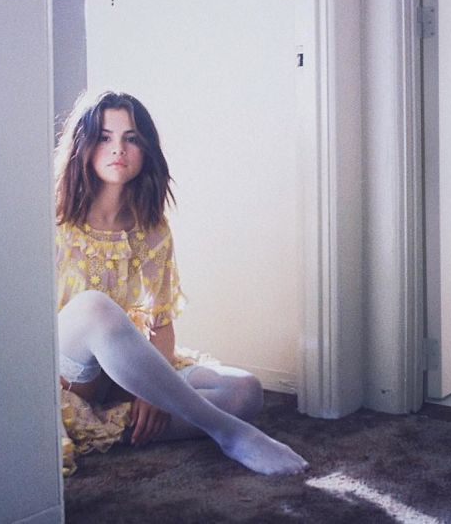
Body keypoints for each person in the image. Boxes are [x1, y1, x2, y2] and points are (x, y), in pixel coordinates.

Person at [55, 91, 308, 476]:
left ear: (146, 150)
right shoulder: (55, 220)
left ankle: (110, 428)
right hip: (66, 374)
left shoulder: (152, 229)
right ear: (83, 146)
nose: (118, 148)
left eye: (131, 138)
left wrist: (150, 393)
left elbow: (160, 323)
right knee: (95, 307)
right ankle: (231, 434)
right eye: (105, 137)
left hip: (121, 376)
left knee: (245, 391)